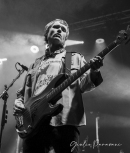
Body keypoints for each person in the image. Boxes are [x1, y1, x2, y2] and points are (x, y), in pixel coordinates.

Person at [13, 19, 104, 153]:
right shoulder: (35, 65)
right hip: (34, 123)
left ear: (65, 38)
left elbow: (85, 86)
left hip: (64, 120)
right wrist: (18, 103)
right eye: (55, 28)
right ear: (47, 34)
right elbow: (23, 92)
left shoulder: (74, 58)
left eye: (63, 30)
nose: (59, 31)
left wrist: (94, 71)